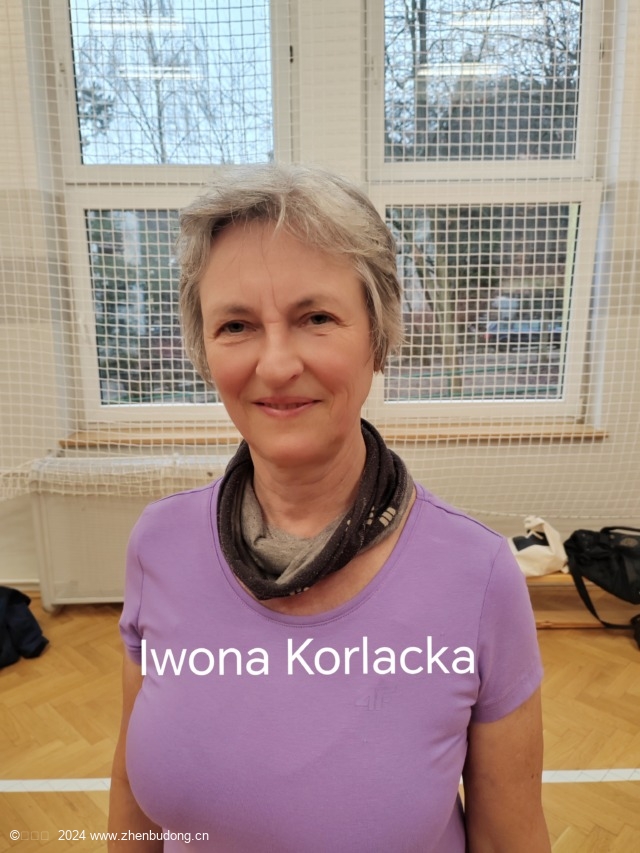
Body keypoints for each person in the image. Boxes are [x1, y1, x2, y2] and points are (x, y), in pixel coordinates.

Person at [108, 163, 550, 852]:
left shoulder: (479, 574)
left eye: (316, 317)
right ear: (204, 349)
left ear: (378, 334)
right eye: (236, 324)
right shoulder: (157, 545)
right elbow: (133, 804)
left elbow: (508, 840)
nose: (277, 365)